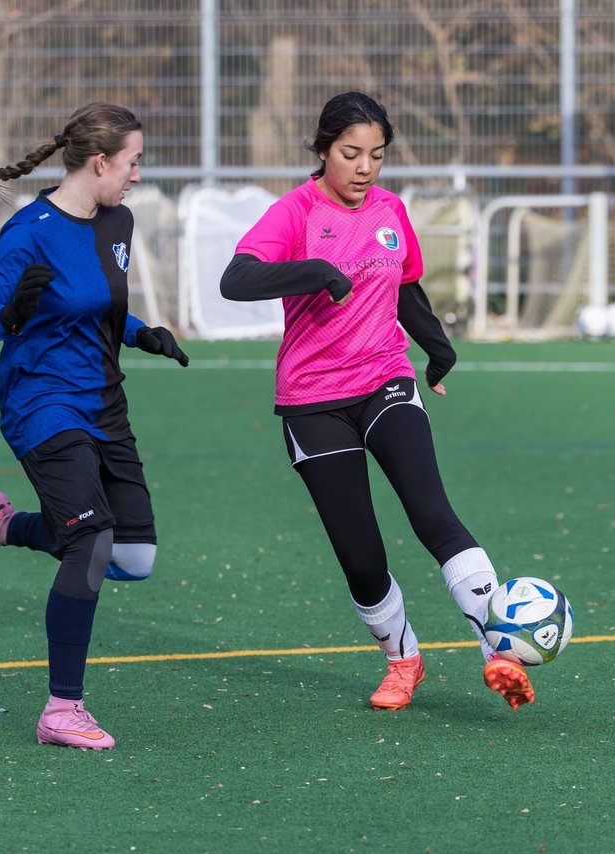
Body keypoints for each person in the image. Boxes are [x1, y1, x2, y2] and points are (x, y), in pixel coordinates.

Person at [219, 91, 534, 712]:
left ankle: (500, 649)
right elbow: (237, 279)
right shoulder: (295, 212)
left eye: (377, 155)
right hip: (312, 400)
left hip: (385, 379)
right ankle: (402, 660)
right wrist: (314, 270)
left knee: (432, 513)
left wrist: (438, 350)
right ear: (323, 151)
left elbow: (407, 287)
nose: (364, 168)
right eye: (351, 154)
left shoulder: (392, 209)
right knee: (360, 554)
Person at [0, 102, 189, 749]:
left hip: (104, 403)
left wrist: (143, 334)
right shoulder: (28, 233)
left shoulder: (119, 220)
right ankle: (61, 709)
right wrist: (8, 319)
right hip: (41, 404)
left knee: (133, 557)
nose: (139, 174)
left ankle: (3, 525)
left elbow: (99, 306)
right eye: (134, 162)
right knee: (89, 543)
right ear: (100, 161)